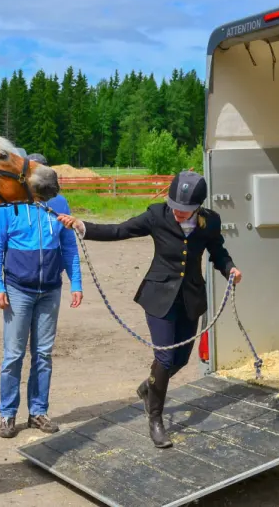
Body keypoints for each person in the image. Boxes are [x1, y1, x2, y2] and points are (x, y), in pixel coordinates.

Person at [57, 170, 242, 448]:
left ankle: (148, 388)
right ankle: (156, 418)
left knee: (180, 360)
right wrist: (83, 226)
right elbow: (120, 229)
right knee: (165, 358)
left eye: (185, 210)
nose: (178, 213)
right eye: (176, 208)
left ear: (198, 207)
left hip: (190, 298)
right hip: (158, 297)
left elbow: (217, 252)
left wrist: (230, 269)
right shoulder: (157, 215)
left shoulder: (210, 222)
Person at [0, 152, 83, 439]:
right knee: (13, 355)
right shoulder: (9, 206)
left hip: (50, 289)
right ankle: (7, 414)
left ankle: (38, 412)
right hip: (18, 290)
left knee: (43, 354)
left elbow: (68, 246)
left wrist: (75, 282)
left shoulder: (59, 203)